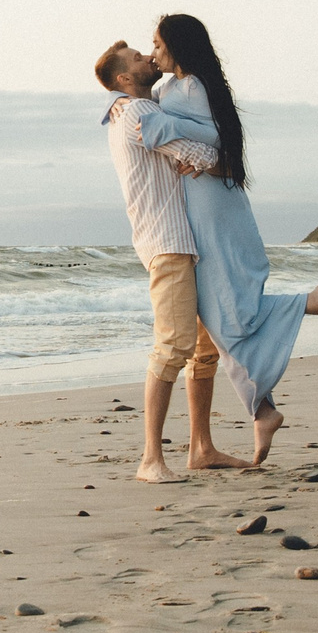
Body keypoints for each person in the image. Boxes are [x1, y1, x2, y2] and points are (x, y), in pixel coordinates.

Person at [119, 14, 318, 465]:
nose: (151, 52)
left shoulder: (189, 87)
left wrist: (183, 142)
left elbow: (212, 138)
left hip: (211, 209)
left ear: (177, 46)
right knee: (217, 322)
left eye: (155, 44)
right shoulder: (175, 89)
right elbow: (166, 118)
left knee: (225, 316)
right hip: (206, 208)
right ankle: (253, 415)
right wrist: (130, 107)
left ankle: (308, 305)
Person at [94, 40, 250, 482]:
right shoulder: (138, 113)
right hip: (168, 242)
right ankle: (150, 459)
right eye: (139, 58)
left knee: (202, 347)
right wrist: (220, 160)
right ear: (124, 79)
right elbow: (191, 151)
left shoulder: (143, 106)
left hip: (185, 240)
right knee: (173, 347)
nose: (149, 57)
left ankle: (201, 448)